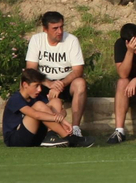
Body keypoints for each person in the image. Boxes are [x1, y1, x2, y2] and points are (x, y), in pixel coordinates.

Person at [24, 11, 91, 146]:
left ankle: (76, 129)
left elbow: (78, 70)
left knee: (80, 83)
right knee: (27, 82)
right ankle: (46, 132)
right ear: (45, 29)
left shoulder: (71, 40)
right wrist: (49, 84)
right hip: (44, 82)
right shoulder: (37, 40)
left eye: (61, 27)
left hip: (65, 82)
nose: (59, 31)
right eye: (55, 28)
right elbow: (31, 69)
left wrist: (61, 83)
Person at [4, 68, 70, 148]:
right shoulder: (16, 99)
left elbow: (63, 111)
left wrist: (60, 116)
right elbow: (36, 115)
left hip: (36, 137)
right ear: (25, 85)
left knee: (55, 101)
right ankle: (68, 137)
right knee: (39, 105)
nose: (40, 89)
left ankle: (51, 136)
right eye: (36, 86)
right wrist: (61, 120)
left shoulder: (38, 97)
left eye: (40, 85)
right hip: (16, 140)